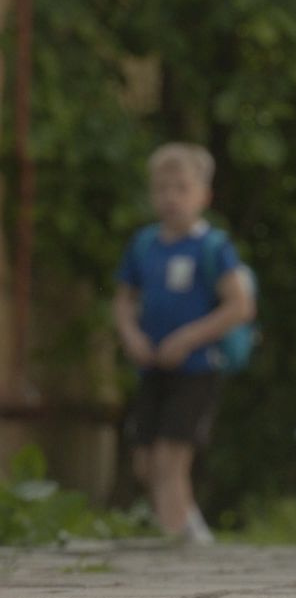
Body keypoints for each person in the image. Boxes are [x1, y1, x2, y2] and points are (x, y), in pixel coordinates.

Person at [112, 142, 255, 544]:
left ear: (203, 196)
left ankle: (173, 542)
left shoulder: (212, 247)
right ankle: (192, 531)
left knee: (170, 458)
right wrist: (131, 335)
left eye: (181, 188)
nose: (170, 197)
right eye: (161, 188)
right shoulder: (144, 245)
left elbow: (239, 307)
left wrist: (188, 338)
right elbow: (124, 300)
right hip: (152, 366)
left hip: (196, 368)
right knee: (144, 462)